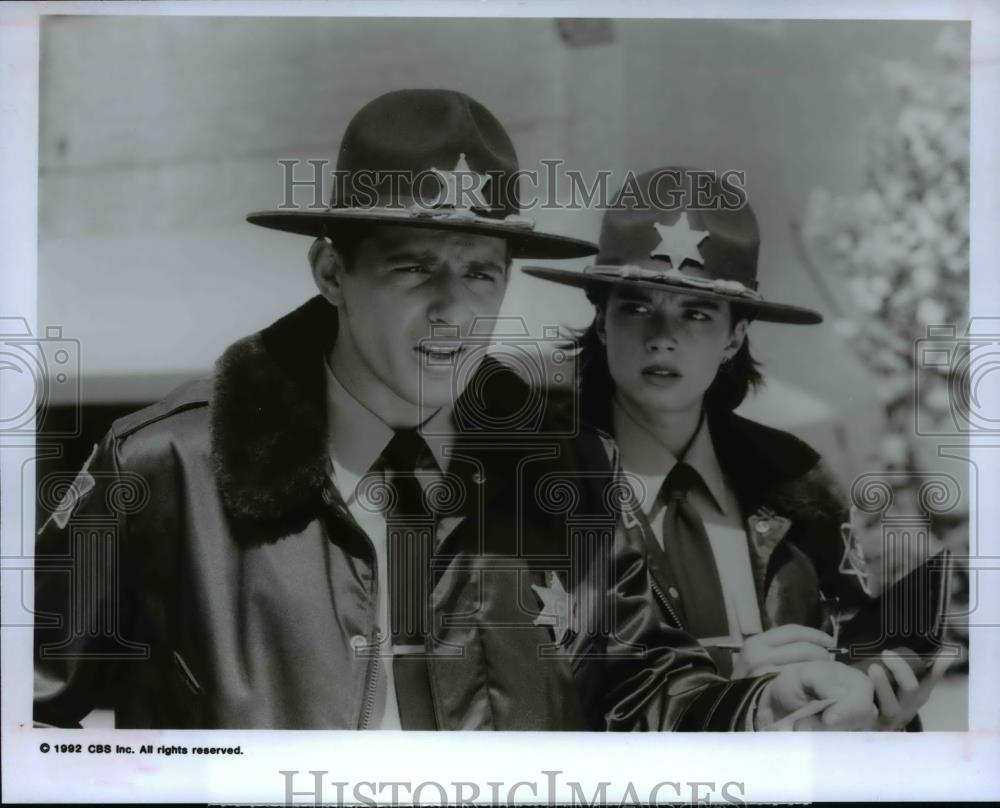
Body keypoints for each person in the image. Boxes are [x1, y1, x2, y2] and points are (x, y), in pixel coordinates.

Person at [34, 95, 876, 731]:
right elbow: (31, 722)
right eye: (413, 269)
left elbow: (642, 686)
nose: (453, 311)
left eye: (481, 273)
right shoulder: (165, 469)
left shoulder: (571, 477)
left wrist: (758, 711)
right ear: (331, 271)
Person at [525, 167, 948, 731]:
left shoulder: (798, 480)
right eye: (635, 306)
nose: (661, 336)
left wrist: (876, 712)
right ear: (600, 321)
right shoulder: (539, 482)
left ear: (735, 336)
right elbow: (528, 691)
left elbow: (851, 649)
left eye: (696, 313)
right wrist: (733, 695)